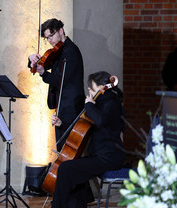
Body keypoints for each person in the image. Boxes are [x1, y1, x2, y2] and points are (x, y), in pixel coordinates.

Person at [51, 71, 126, 208]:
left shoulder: (111, 103)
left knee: (65, 169)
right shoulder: (102, 103)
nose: (89, 92)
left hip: (109, 157)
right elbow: (83, 127)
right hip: (100, 155)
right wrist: (61, 124)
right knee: (73, 172)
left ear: (101, 87)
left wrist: (90, 105)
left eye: (91, 89)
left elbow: (100, 121)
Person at [28, 18, 85, 151]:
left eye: (51, 36)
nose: (50, 40)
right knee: (61, 148)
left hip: (71, 106)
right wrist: (32, 60)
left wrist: (43, 73)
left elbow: (60, 80)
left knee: (67, 149)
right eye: (47, 38)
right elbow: (45, 63)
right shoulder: (59, 51)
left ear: (61, 30)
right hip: (62, 105)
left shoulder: (70, 52)